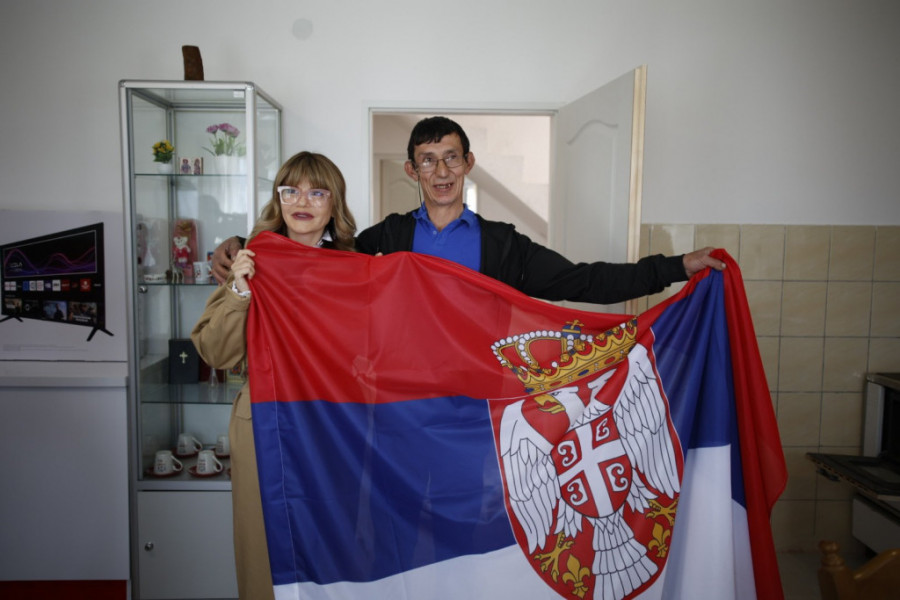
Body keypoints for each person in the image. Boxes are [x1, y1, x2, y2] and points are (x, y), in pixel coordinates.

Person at [212, 116, 724, 299]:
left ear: (468, 163)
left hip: (481, 405)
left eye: (451, 158)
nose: (440, 171)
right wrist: (238, 245)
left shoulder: (504, 246)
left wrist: (675, 267)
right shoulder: (384, 239)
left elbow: (584, 281)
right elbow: (315, 260)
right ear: (412, 170)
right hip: (400, 406)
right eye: (427, 160)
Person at [191, 151, 356, 600]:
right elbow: (215, 352)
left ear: (334, 204)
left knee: (334, 543)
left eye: (317, 192)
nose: (302, 201)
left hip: (333, 425)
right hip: (267, 422)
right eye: (291, 191)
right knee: (267, 549)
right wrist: (239, 290)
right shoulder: (252, 260)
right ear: (278, 199)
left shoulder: (353, 266)